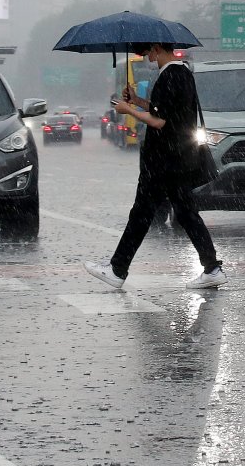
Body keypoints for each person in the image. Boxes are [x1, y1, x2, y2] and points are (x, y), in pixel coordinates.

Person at [84, 42, 226, 290]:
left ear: (158, 48)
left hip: (163, 161)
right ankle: (212, 268)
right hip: (179, 158)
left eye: (149, 52)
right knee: (186, 214)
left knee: (141, 214)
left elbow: (160, 122)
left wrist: (128, 109)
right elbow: (167, 112)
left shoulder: (169, 76)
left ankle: (117, 270)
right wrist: (138, 100)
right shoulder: (183, 74)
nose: (148, 57)